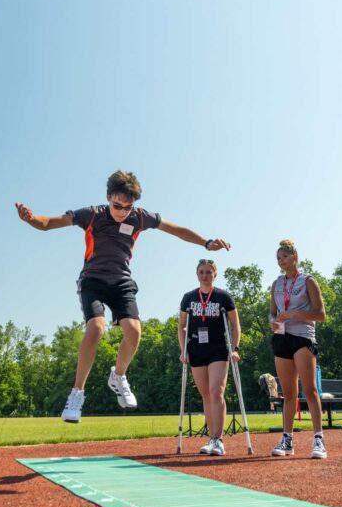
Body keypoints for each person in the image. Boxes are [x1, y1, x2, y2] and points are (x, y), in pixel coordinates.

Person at [15, 170, 229, 423]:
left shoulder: (139, 218)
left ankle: (118, 376)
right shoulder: (92, 214)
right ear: (108, 197)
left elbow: (176, 230)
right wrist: (31, 219)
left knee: (134, 332)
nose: (122, 212)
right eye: (117, 206)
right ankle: (77, 394)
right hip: (93, 280)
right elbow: (49, 223)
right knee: (95, 329)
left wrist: (206, 243)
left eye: (127, 207)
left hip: (122, 282)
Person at [269, 239, 327, 460]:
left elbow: (320, 315)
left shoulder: (308, 281)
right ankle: (287, 440)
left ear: (294, 257)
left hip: (303, 337)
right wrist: (273, 322)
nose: (280, 261)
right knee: (289, 394)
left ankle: (319, 439)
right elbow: (272, 312)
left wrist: (294, 314)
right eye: (277, 258)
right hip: (282, 338)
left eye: (283, 256)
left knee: (310, 390)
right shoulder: (276, 284)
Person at [178, 259, 241, 456]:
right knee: (206, 395)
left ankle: (218, 439)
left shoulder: (223, 297)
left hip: (218, 348)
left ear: (215, 274)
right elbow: (181, 326)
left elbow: (235, 324)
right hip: (196, 348)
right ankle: (211, 438)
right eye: (202, 272)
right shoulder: (188, 298)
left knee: (216, 392)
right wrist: (183, 350)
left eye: (209, 272)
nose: (205, 275)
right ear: (197, 274)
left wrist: (236, 348)